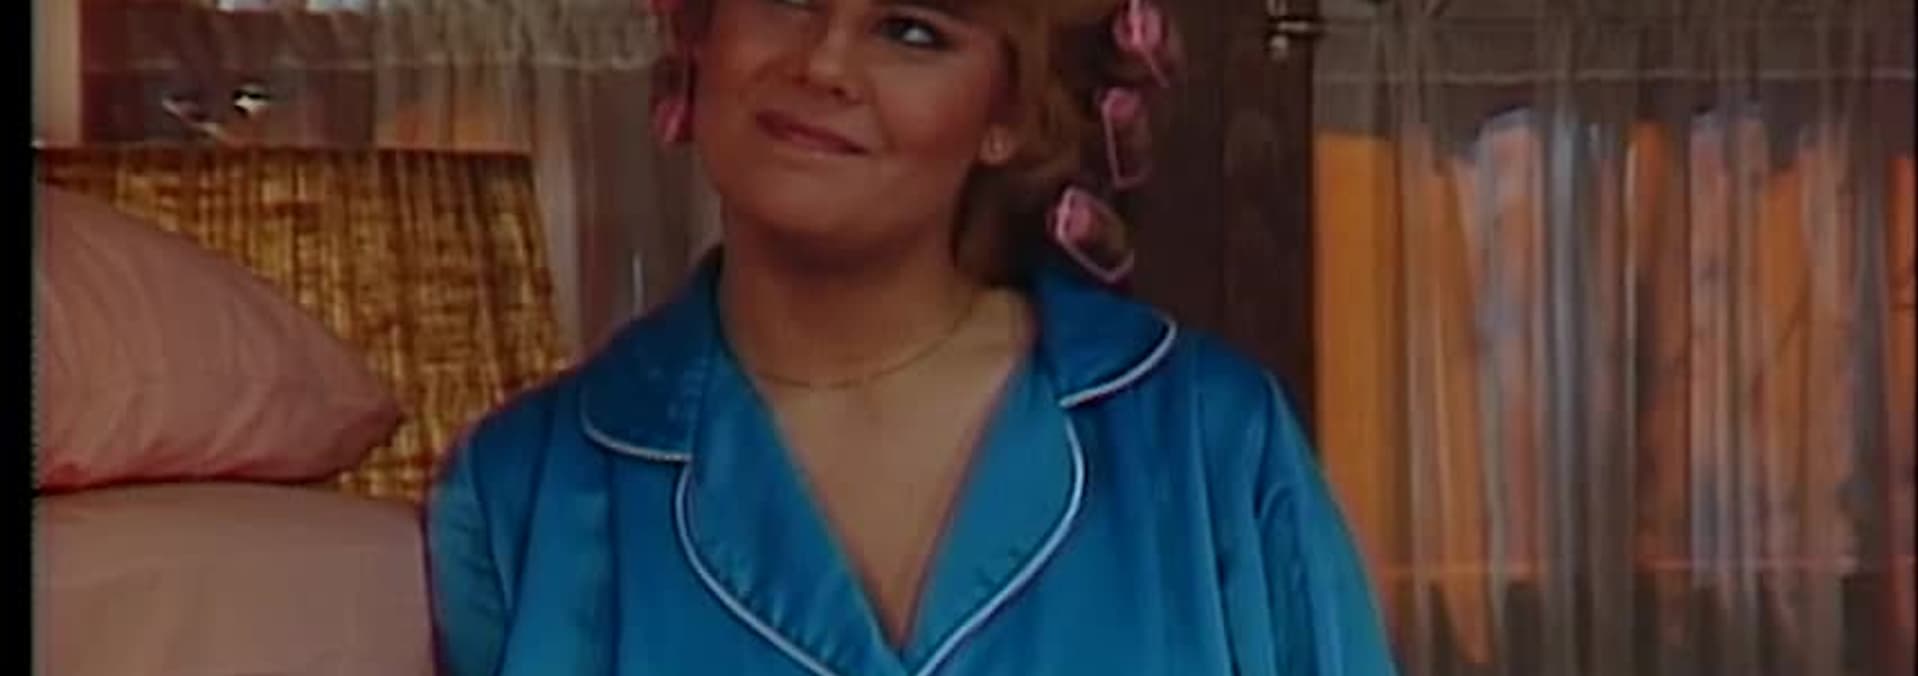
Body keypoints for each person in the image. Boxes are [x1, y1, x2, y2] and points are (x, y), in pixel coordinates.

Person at [425, 0, 1398, 673]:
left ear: (1007, 113)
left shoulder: (1208, 444)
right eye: (786, 0)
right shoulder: (525, 490)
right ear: (700, 36)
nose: (823, 64)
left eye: (912, 30)